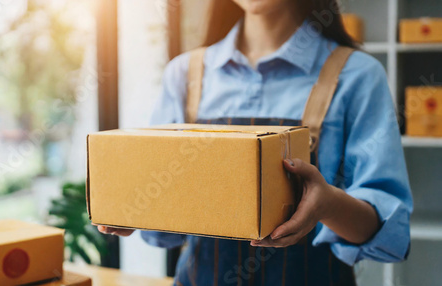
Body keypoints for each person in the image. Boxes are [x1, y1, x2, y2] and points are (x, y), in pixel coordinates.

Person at [96, 0, 412, 285]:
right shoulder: (184, 74)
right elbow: (164, 231)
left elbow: (391, 237)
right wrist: (137, 209)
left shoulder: (357, 75)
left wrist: (328, 204)